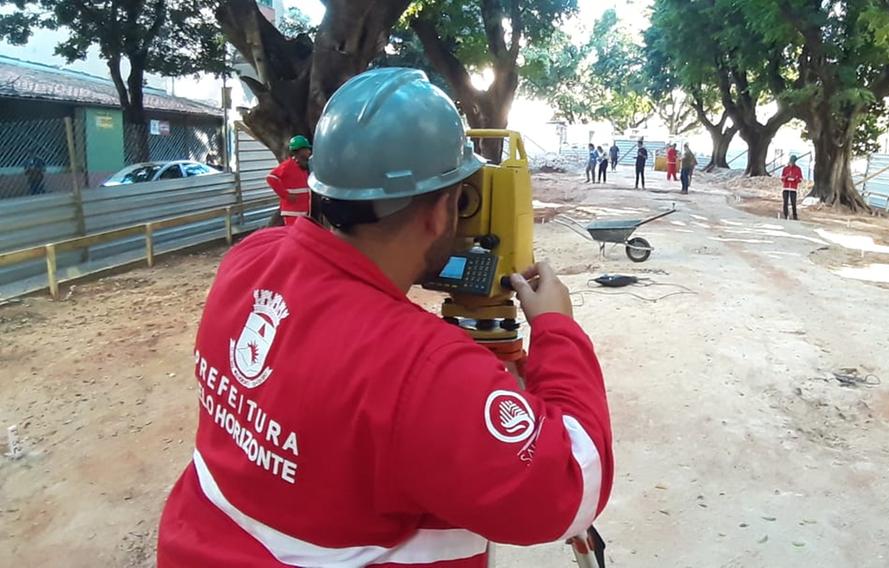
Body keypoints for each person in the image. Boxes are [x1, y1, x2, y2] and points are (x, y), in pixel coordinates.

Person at [156, 68, 614, 567]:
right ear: (442, 210)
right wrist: (557, 330)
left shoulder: (248, 260)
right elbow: (571, 488)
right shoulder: (426, 373)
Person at [266, 135, 313, 226]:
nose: (309, 152)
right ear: (300, 151)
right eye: (306, 149)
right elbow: (271, 178)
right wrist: (286, 195)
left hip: (303, 212)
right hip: (292, 212)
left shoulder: (302, 166)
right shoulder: (288, 165)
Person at [781, 154, 804, 220]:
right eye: (790, 162)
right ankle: (785, 215)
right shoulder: (785, 169)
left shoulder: (798, 169)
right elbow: (782, 178)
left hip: (793, 189)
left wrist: (795, 179)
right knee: (785, 202)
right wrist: (786, 177)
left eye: (792, 162)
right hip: (786, 188)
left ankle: (795, 216)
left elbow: (800, 179)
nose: (791, 163)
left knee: (793, 202)